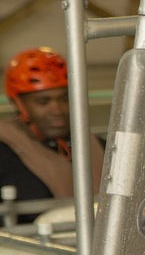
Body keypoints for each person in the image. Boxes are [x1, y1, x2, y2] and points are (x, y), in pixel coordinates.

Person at [0, 48, 103, 223]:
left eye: (64, 99)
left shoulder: (98, 146)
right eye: (43, 101)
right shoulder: (5, 152)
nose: (57, 110)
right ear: (18, 104)